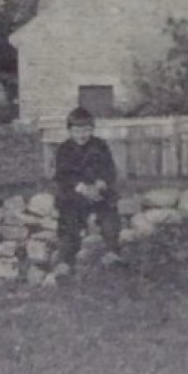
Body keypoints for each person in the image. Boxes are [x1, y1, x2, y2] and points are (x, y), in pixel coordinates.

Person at [53, 107, 123, 273]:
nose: (82, 135)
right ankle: (65, 259)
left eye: (86, 130)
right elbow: (63, 175)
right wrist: (81, 188)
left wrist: (99, 184)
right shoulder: (64, 149)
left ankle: (112, 251)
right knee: (68, 219)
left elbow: (109, 170)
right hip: (74, 193)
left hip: (98, 191)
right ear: (69, 131)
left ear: (92, 130)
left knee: (109, 214)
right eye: (77, 131)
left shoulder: (100, 145)